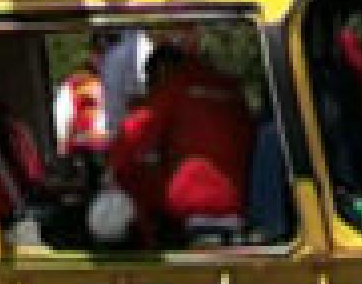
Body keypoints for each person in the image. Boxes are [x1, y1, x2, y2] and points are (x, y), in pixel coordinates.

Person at [109, 44, 255, 247]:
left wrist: (112, 168)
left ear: (162, 70)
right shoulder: (230, 88)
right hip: (238, 205)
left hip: (192, 209)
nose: (150, 87)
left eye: (150, 80)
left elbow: (132, 136)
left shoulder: (176, 85)